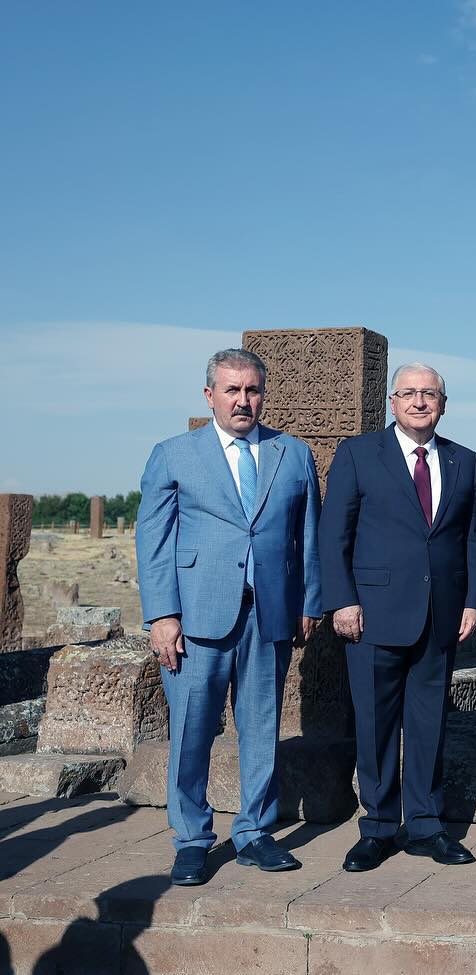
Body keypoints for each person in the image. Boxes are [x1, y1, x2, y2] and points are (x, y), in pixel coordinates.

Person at [136, 348, 321, 886]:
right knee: (192, 732)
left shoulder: (293, 453)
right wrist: (162, 615)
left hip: (269, 614)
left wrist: (310, 601)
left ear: (264, 392)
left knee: (261, 729)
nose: (244, 400)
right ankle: (192, 839)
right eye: (232, 390)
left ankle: (255, 833)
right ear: (209, 395)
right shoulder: (173, 454)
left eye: (253, 390)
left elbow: (307, 532)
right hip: (195, 619)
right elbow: (153, 541)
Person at [319, 362, 476, 872]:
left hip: (441, 616)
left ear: (442, 403)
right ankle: (378, 827)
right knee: (375, 725)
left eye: (428, 394)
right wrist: (342, 600)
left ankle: (427, 825)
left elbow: (471, 538)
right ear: (392, 401)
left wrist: (473, 601)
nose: (418, 402)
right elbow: (334, 535)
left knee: (430, 722)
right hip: (373, 615)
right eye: (408, 393)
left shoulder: (463, 461)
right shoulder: (358, 454)